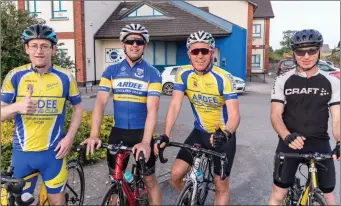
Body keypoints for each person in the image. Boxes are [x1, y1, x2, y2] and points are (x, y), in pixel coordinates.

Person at [1, 24, 84, 205]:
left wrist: (69, 138)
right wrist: (17, 106)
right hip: (23, 155)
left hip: (53, 154)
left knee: (57, 202)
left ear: (53, 49)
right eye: (34, 46)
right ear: (26, 49)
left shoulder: (65, 77)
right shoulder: (15, 76)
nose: (39, 51)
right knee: (21, 203)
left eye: (45, 46)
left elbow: (78, 108)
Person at [155, 31, 241, 205]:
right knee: (176, 175)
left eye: (204, 51)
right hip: (199, 132)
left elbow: (234, 114)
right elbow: (175, 105)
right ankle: (189, 199)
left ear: (212, 52)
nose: (200, 55)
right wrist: (166, 134)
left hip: (222, 136)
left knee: (221, 185)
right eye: (195, 52)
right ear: (189, 54)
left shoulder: (224, 78)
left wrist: (226, 133)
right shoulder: (183, 74)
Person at [81, 23, 162, 205]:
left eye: (139, 41)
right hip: (118, 133)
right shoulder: (111, 71)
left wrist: (146, 142)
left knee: (149, 180)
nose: (134, 45)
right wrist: (94, 134)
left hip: (142, 133)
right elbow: (101, 103)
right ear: (123, 45)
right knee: (115, 180)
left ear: (145, 46)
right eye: (130, 41)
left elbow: (153, 109)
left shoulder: (152, 73)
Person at [268, 29, 340, 205]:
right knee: (278, 194)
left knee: (329, 196)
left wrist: (339, 142)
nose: (306, 56)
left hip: (320, 143)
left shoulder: (332, 81)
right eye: (300, 51)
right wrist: (287, 136)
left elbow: (337, 119)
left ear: (319, 51)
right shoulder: (283, 80)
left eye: (312, 50)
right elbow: (275, 115)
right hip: (289, 142)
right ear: (293, 52)